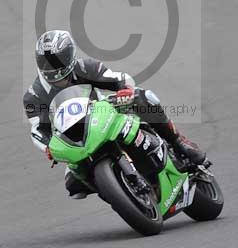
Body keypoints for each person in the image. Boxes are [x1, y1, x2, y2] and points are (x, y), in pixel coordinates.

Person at [23, 30, 206, 199]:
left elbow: (120, 79)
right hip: (75, 139)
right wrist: (48, 147)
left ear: (70, 55)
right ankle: (119, 193)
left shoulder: (87, 68)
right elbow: (37, 129)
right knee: (73, 185)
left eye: (57, 59)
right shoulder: (33, 96)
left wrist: (126, 90)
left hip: (105, 112)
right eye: (45, 61)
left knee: (143, 98)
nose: (51, 67)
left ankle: (179, 142)